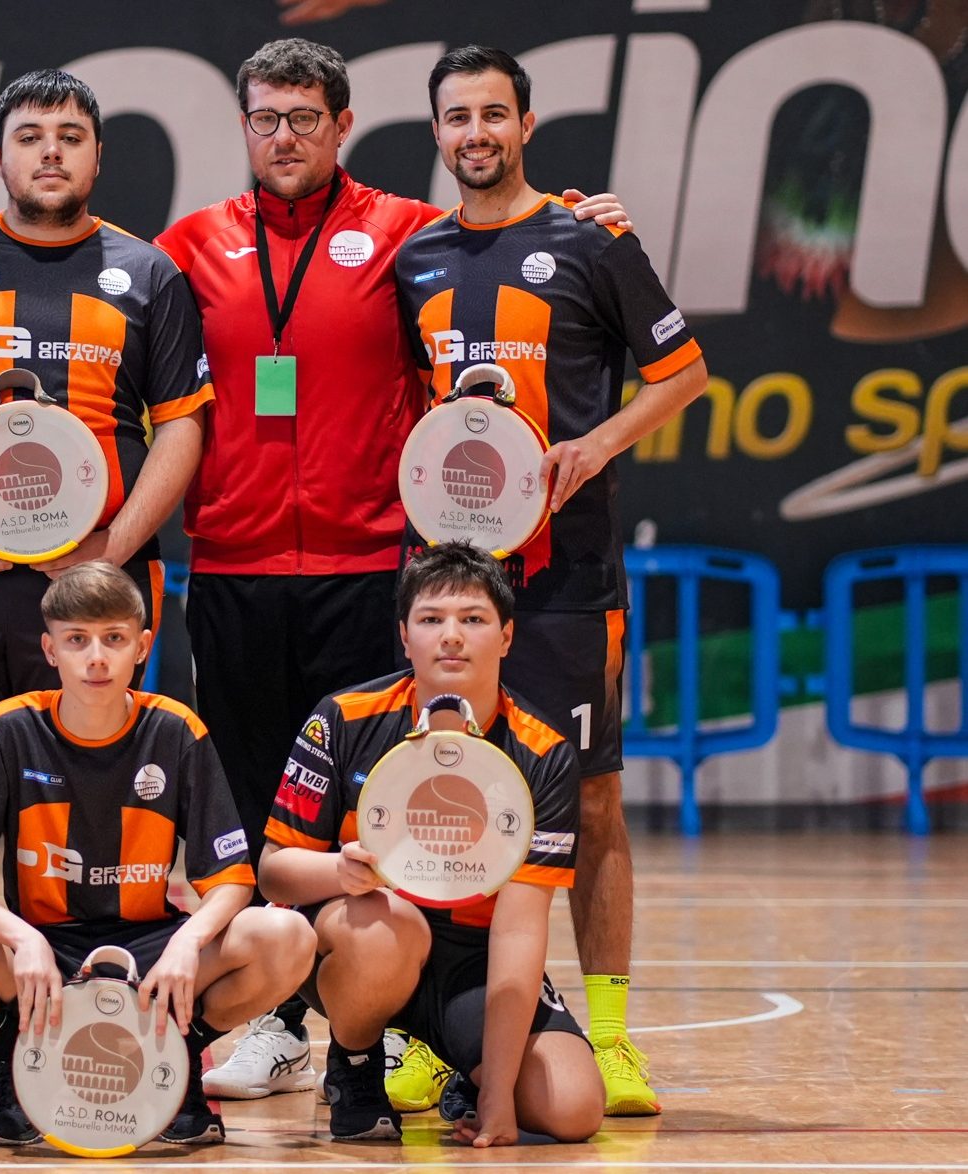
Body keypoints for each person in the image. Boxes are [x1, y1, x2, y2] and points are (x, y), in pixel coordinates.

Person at [153, 36, 630, 1110]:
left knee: (385, 802)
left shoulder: (409, 234)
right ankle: (276, 1025)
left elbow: (501, 232)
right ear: (243, 126)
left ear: (343, 126)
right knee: (252, 800)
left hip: (369, 560)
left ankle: (399, 1025)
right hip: (232, 562)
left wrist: (581, 221)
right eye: (266, 118)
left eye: (305, 118)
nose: (285, 137)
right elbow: (87, 265)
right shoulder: (190, 245)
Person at [394, 44, 711, 1116]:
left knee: (594, 796)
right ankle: (431, 1032)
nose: (475, 133)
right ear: (436, 133)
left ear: (525, 125)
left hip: (568, 575)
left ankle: (610, 1038)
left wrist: (595, 446)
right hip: (447, 581)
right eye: (457, 117)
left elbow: (684, 372)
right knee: (439, 785)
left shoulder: (590, 239)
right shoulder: (417, 258)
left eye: (494, 113)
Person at [0, 562, 316, 1146]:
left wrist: (188, 943)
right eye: (77, 640)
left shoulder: (176, 729)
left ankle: (178, 1057)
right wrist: (21, 939)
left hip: (151, 948)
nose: (96, 658)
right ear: (50, 649)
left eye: (113, 639)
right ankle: (17, 1062)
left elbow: (232, 879)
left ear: (142, 647)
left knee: (287, 936)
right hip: (43, 946)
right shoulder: (7, 728)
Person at [0, 68, 210, 718]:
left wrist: (115, 547)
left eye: (70, 137)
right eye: (30, 137)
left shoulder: (151, 273)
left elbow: (182, 426)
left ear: (98, 156)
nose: (51, 151)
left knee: (89, 768)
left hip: (102, 578)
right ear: (0, 155)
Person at [259, 542, 604, 1145]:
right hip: (366, 934)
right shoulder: (343, 717)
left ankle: (467, 1078)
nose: (451, 636)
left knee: (573, 1110)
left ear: (506, 636)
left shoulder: (544, 754)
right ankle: (356, 1064)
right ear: (404, 635)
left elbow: (519, 928)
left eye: (473, 619)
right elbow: (273, 872)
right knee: (388, 929)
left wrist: (499, 1096)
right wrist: (342, 872)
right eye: (430, 619)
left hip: (473, 960)